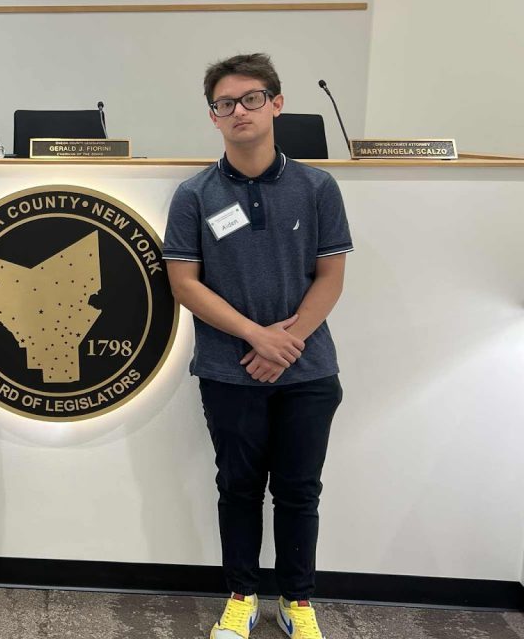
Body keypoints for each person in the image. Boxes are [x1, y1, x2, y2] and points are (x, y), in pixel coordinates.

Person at [163, 53, 352, 639]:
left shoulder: (317, 187)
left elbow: (330, 275)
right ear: (213, 118)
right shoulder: (194, 194)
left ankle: (298, 602)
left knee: (299, 491)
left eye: (250, 99)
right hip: (228, 369)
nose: (238, 111)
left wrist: (286, 343)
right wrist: (255, 337)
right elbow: (184, 282)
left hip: (308, 372)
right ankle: (241, 596)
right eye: (225, 104)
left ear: (276, 103)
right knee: (237, 488)